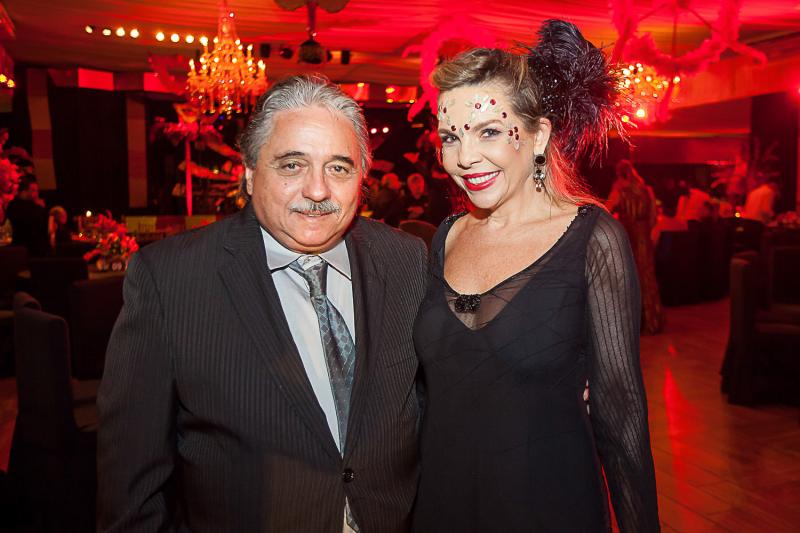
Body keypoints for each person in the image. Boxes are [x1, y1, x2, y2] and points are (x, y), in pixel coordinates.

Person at [98, 75, 428, 532]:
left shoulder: (407, 260)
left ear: (361, 179)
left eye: (338, 168)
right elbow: (132, 487)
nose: (318, 191)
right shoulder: (170, 279)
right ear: (250, 174)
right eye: (292, 165)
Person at [412, 20, 660, 532]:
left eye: (488, 131)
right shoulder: (446, 236)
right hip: (442, 503)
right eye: (451, 137)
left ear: (539, 135)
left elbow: (621, 417)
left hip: (548, 504)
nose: (464, 157)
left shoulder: (592, 240)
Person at [608, 160, 664, 335]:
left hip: (628, 237)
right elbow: (654, 219)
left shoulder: (619, 191)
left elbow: (607, 210)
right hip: (644, 238)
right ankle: (652, 320)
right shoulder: (647, 190)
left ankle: (633, 324)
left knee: (628, 277)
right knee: (647, 276)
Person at [4, 173, 49, 257]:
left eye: (37, 191)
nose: (36, 194)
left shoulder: (15, 205)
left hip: (30, 248)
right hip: (27, 249)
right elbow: (35, 224)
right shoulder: (16, 206)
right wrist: (40, 208)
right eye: (33, 190)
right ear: (24, 191)